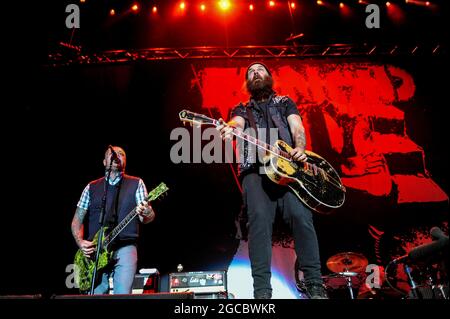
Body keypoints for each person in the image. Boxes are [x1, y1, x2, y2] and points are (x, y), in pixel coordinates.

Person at [217, 62, 328, 299]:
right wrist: (229, 128)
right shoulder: (241, 108)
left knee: (302, 218)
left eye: (260, 70)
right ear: (247, 81)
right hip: (255, 171)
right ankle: (262, 292)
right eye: (250, 72)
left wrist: (300, 148)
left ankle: (315, 284)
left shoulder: (285, 102)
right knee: (258, 225)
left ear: (269, 76)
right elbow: (236, 124)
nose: (255, 73)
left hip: (289, 172)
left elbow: (297, 127)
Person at [71, 145, 155, 294]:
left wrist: (146, 212)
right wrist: (80, 242)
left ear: (125, 161)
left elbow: (147, 218)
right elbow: (77, 220)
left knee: (122, 295)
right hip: (96, 251)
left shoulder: (136, 183)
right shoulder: (91, 187)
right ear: (104, 162)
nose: (117, 156)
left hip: (125, 246)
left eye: (121, 154)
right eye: (112, 154)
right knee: (95, 294)